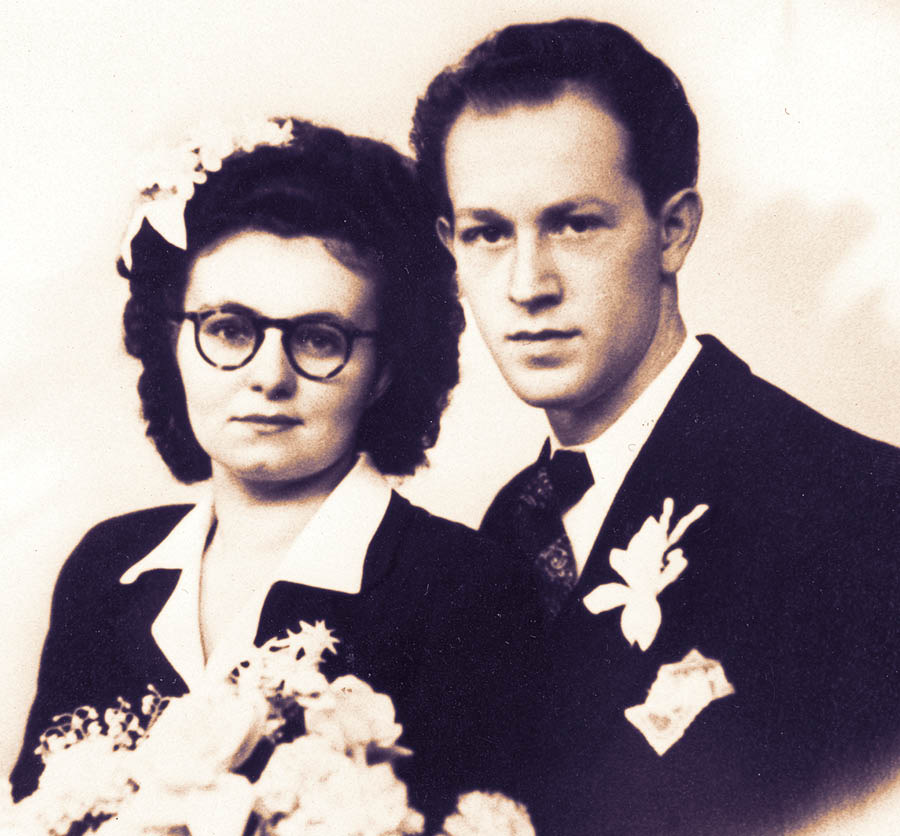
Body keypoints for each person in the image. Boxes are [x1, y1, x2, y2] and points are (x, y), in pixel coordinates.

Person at [412, 18, 900, 836]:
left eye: (575, 223)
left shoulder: (857, 507)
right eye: (488, 233)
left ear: (673, 230)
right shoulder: (508, 524)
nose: (527, 284)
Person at [9, 118, 542, 827]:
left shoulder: (463, 589)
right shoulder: (107, 568)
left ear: (383, 371)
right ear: (174, 340)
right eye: (229, 328)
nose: (268, 377)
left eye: (320, 339)